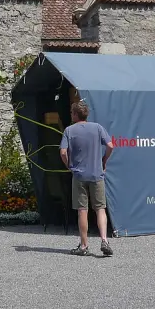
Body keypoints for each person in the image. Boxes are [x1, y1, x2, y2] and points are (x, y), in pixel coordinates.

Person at [59, 87, 114, 257]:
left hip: (79, 175)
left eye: (72, 113)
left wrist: (69, 165)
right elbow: (111, 145)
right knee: (100, 208)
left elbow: (63, 152)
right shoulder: (97, 128)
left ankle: (84, 246)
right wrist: (103, 160)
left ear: (76, 114)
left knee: (82, 210)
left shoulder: (69, 131)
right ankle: (104, 240)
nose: (71, 115)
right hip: (96, 173)